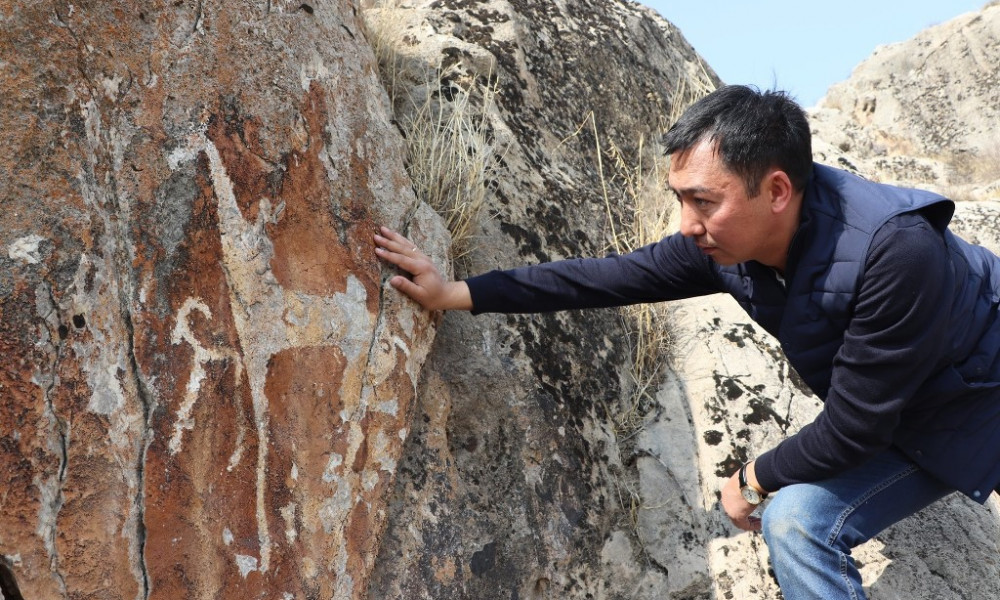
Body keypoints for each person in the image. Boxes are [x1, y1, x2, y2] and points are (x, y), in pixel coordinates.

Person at [373, 84, 1000, 599]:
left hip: (982, 392)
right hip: (911, 409)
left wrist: (753, 476)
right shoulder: (726, 244)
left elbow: (855, 426)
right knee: (798, 523)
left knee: (778, 499)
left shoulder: (894, 252)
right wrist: (456, 292)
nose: (687, 225)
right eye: (681, 199)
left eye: (704, 201)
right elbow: (608, 277)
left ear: (778, 190)